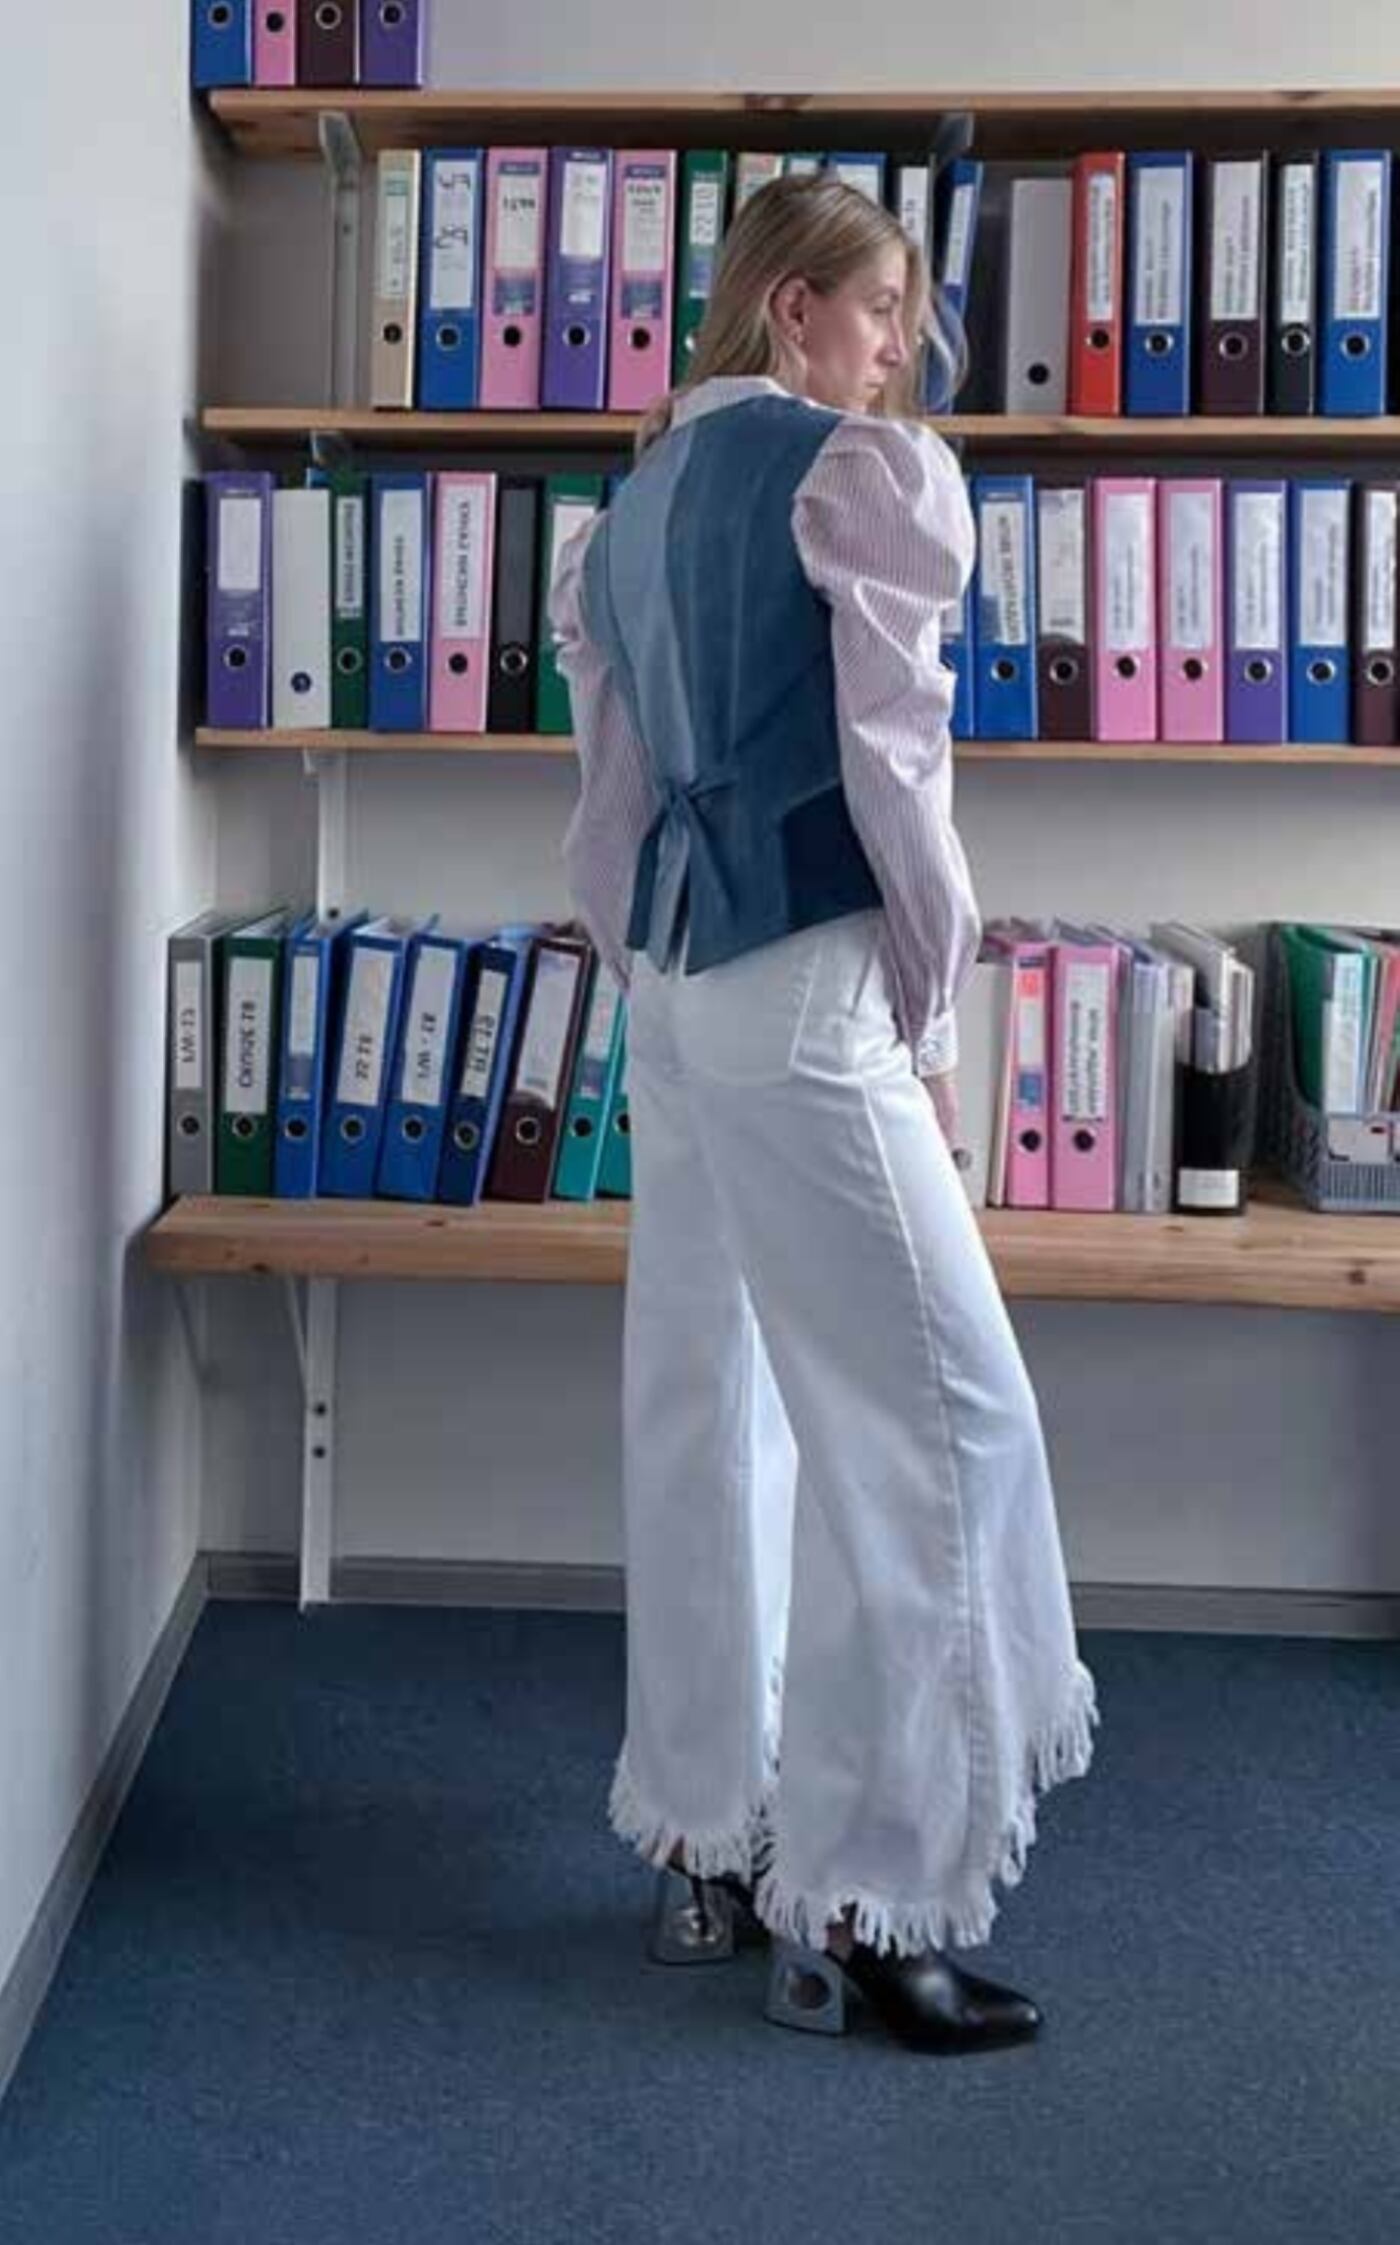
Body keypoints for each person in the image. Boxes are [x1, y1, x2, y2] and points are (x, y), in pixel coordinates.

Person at [548, 170, 1100, 2056]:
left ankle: (702, 1839)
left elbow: (609, 811)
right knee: (939, 1421)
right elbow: (895, 767)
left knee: (708, 1401)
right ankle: (870, 1893)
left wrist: (652, 970)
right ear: (790, 306)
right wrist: (928, 1010)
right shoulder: (858, 475)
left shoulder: (628, 511)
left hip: (675, 986)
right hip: (804, 981)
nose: (897, 354)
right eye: (880, 314)